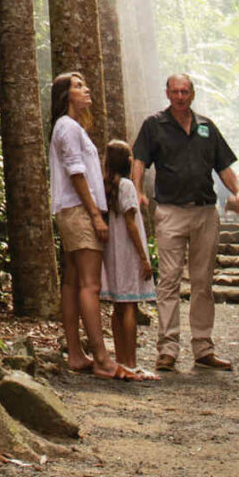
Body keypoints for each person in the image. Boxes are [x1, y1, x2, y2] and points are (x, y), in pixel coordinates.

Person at [133, 72, 239, 371]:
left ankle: (203, 347)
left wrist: (237, 191)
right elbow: (139, 160)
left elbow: (223, 166)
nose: (180, 97)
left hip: (204, 212)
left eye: (185, 91)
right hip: (170, 211)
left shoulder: (206, 127)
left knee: (202, 282)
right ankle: (167, 349)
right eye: (175, 91)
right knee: (169, 281)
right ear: (167, 93)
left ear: (193, 93)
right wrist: (136, 191)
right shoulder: (154, 125)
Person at [48, 71, 111, 375]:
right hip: (79, 211)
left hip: (71, 209)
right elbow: (76, 172)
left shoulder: (70, 127)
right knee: (90, 284)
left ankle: (76, 353)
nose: (86, 90)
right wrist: (96, 215)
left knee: (73, 281)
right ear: (65, 95)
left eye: (84, 84)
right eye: (78, 86)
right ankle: (101, 358)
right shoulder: (68, 127)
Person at [98, 142, 158, 382]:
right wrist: (144, 257)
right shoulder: (127, 186)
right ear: (126, 160)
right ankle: (131, 363)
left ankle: (121, 360)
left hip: (111, 252)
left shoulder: (106, 186)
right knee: (130, 305)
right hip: (127, 251)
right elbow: (131, 224)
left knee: (118, 305)